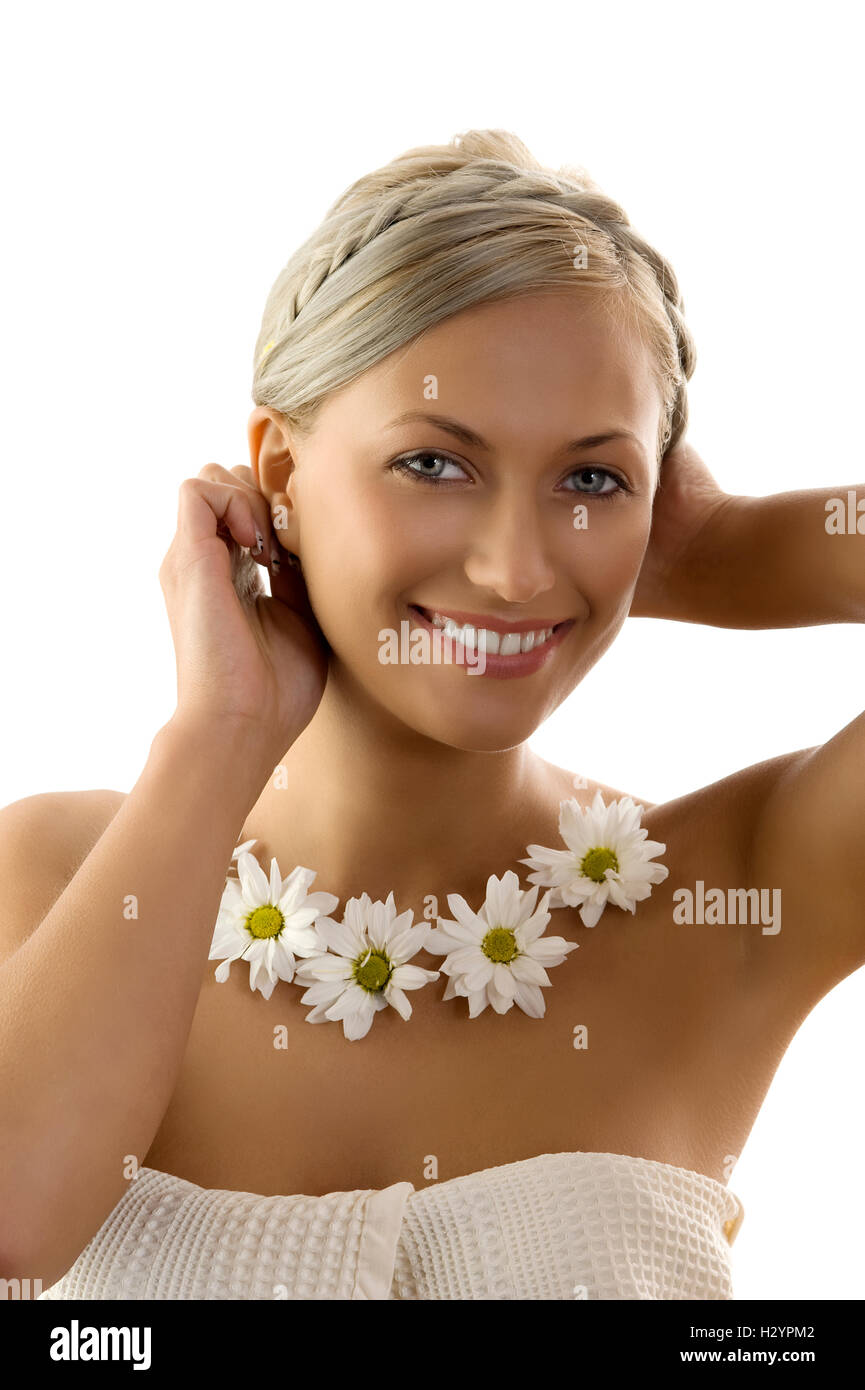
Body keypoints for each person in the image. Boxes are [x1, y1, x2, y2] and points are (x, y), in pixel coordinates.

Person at [2, 129, 862, 1301]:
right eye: (435, 464)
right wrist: (218, 732)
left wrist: (733, 550)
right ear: (282, 474)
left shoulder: (746, 883)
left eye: (592, 480)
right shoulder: (47, 874)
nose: (515, 570)